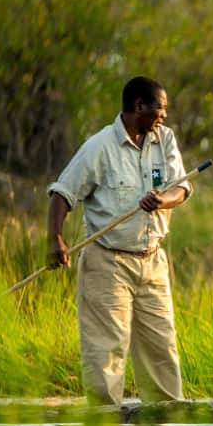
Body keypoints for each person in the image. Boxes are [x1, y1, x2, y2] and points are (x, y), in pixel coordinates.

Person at [47, 76, 194, 406]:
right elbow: (62, 193)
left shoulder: (164, 139)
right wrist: (54, 238)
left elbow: (181, 188)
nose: (164, 115)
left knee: (161, 348)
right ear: (139, 106)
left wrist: (162, 200)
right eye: (161, 107)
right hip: (107, 262)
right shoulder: (99, 147)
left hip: (153, 261)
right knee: (106, 349)